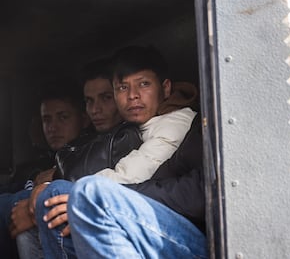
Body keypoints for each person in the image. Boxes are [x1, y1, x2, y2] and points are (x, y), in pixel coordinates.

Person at [34, 45, 200, 258]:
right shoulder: (137, 126)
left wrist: (81, 196)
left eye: (144, 84)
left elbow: (131, 175)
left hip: (181, 226)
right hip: (152, 211)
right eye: (122, 88)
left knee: (58, 194)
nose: (133, 96)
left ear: (165, 89)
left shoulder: (175, 122)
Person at [0, 78, 90, 259]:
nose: (53, 127)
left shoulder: (87, 157)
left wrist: (32, 208)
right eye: (46, 119)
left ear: (84, 119)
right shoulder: (36, 164)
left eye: (63, 117)